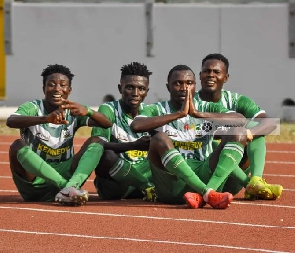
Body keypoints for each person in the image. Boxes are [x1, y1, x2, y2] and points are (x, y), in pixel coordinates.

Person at [131, 64, 255, 209]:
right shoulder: (157, 109)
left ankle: (207, 192)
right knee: (159, 138)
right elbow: (136, 125)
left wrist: (198, 114)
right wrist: (178, 114)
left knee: (238, 132)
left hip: (204, 173)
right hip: (172, 184)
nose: (184, 88)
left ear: (195, 85)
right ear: (168, 87)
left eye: (189, 83)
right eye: (178, 83)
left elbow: (240, 119)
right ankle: (208, 193)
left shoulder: (207, 107)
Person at [6, 64, 112, 206]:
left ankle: (72, 186)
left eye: (63, 85)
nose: (57, 89)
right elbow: (11, 121)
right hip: (36, 184)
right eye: (51, 85)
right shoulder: (32, 107)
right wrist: (45, 119)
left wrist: (88, 111)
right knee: (16, 145)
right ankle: (66, 188)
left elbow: (107, 124)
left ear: (69, 90)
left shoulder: (73, 110)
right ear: (43, 89)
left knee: (97, 141)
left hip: (66, 173)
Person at [196, 53, 283, 200]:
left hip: (234, 171)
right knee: (219, 141)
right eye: (206, 71)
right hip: (206, 168)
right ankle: (249, 184)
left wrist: (247, 134)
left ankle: (256, 180)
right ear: (200, 75)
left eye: (216, 72)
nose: (210, 75)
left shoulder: (237, 100)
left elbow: (271, 123)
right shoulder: (191, 103)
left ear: (226, 77)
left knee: (255, 127)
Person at [91, 62, 156, 201]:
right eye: (130, 87)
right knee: (106, 155)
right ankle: (146, 186)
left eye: (141, 88)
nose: (135, 93)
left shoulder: (150, 112)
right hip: (118, 182)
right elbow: (97, 144)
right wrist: (132, 145)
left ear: (147, 91)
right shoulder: (108, 109)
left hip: (144, 172)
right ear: (120, 88)